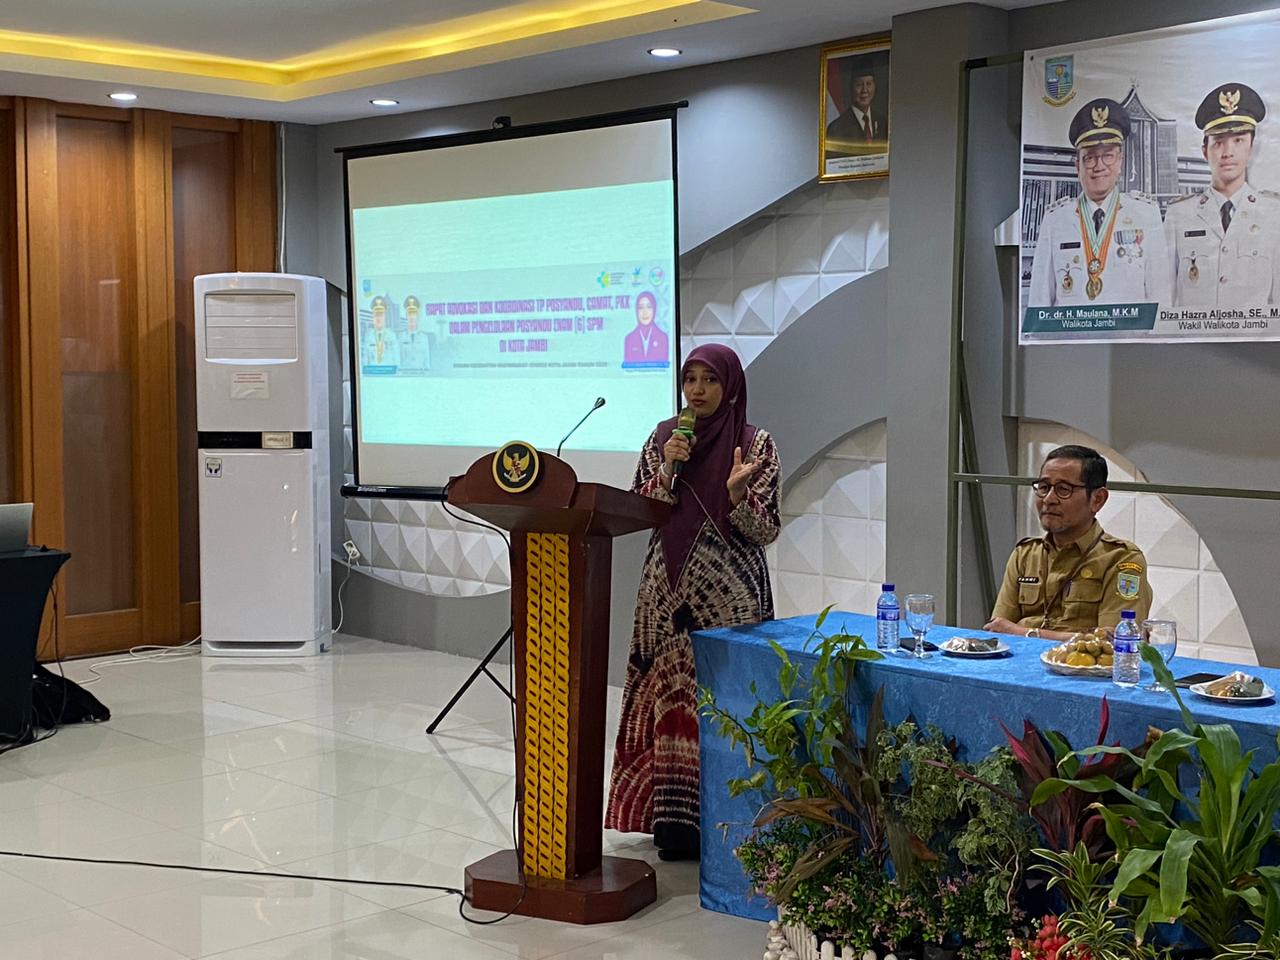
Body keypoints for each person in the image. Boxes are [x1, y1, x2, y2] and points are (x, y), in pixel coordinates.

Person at [606, 343, 780, 861]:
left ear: (731, 386)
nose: (697, 391)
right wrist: (666, 472)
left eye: (710, 380)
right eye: (690, 379)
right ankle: (674, 827)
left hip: (731, 600)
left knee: (727, 705)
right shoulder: (664, 438)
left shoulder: (755, 444)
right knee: (671, 703)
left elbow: (767, 529)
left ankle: (733, 823)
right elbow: (640, 510)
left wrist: (736, 498)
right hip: (666, 592)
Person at [985, 445, 1152, 641]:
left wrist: (1029, 633)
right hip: (1020, 659)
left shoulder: (1121, 559)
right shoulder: (1025, 554)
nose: (1049, 499)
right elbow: (998, 629)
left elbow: (1116, 641)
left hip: (1081, 661)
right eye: (1044, 487)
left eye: (1063, 490)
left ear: (1097, 499)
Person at [1028, 99, 1170, 308]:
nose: (1099, 166)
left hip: (1130, 330)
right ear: (1077, 165)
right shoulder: (1055, 221)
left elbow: (1161, 298)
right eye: (1090, 158)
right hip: (1073, 330)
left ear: (1120, 161)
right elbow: (1039, 303)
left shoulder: (1146, 215)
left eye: (1108, 156)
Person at [1165, 83, 1280, 308]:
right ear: (1204, 151)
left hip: (1254, 331)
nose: (1228, 152)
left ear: (1252, 147)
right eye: (1218, 142)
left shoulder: (1273, 214)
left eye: (1238, 140)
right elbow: (1165, 298)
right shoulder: (1178, 215)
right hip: (1195, 330)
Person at [826, 68, 888, 145]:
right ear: (851, 88)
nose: (864, 90)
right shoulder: (836, 128)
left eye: (868, 84)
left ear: (875, 86)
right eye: (859, 85)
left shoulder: (883, 122)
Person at [622, 291, 669, 364]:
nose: (645, 312)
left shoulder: (663, 338)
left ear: (654, 310)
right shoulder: (629, 339)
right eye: (641, 308)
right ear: (636, 311)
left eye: (649, 307)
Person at [362, 295, 399, 367]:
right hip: (372, 372)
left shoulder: (391, 335)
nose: (378, 318)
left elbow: (396, 359)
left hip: (389, 372)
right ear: (373, 316)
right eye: (376, 315)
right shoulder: (369, 336)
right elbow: (365, 360)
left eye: (381, 315)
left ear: (385, 316)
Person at [398, 295, 431, 370]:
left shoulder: (424, 338)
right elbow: (398, 361)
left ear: (417, 315)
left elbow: (427, 362)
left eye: (414, 313)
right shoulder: (401, 337)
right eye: (409, 313)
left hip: (420, 374)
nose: (412, 317)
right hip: (405, 374)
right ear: (406, 315)